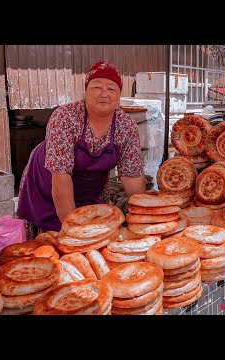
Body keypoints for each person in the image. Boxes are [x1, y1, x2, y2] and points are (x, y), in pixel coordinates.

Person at [17, 61, 146, 237]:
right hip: (49, 183)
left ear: (119, 95)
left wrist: (145, 215)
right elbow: (61, 178)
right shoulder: (65, 117)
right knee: (53, 240)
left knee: (95, 233)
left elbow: (133, 176)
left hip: (90, 188)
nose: (104, 94)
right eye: (96, 87)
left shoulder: (126, 126)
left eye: (111, 89)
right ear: (85, 91)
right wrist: (72, 231)